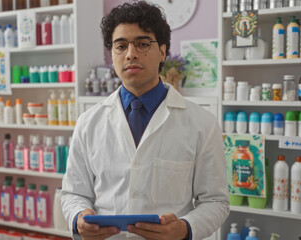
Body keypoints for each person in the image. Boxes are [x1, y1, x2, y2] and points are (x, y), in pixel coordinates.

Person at [61, 1, 229, 239]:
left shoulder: (202, 123)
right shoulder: (89, 122)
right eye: (121, 46)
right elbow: (72, 194)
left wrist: (185, 228)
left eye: (142, 44)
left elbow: (216, 201)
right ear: (112, 54)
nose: (130, 54)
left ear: (162, 51)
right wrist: (78, 218)